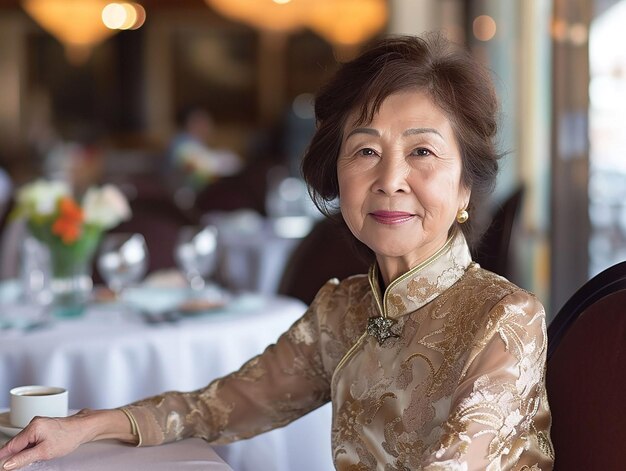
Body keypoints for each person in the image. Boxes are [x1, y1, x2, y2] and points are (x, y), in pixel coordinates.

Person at [0, 33, 554, 470]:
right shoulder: (343, 311)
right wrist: (82, 427)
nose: (390, 178)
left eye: (422, 152)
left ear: (464, 189)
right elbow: (218, 406)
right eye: (365, 149)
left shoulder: (503, 320)